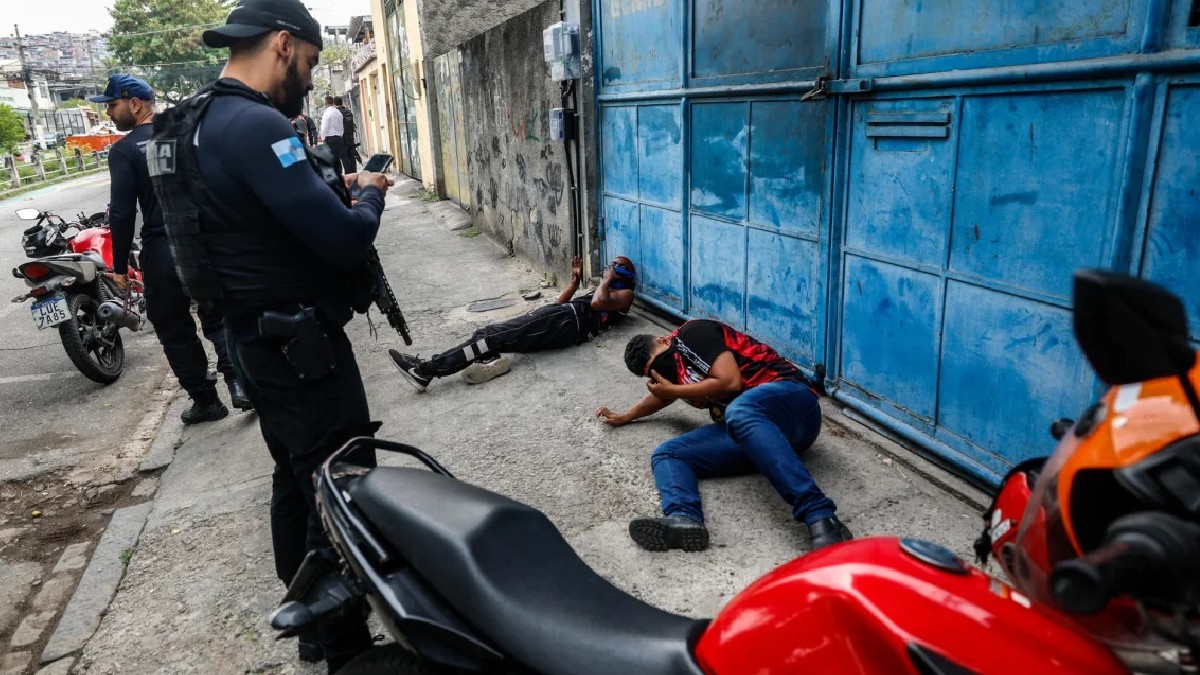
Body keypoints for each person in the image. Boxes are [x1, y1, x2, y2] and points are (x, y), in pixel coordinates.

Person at [147, 0, 395, 670]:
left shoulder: (195, 120)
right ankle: (346, 648)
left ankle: (315, 631)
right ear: (283, 44)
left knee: (295, 479)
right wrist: (369, 192)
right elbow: (344, 240)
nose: (312, 80)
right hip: (296, 345)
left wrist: (322, 186)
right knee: (341, 479)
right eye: (311, 63)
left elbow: (249, 218)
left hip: (246, 339)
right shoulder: (256, 124)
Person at [596, 320, 852, 552]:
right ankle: (684, 518)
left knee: (739, 411)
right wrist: (626, 416)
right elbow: (660, 397)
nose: (661, 374)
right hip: (757, 436)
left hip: (794, 405)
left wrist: (672, 389)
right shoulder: (676, 377)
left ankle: (822, 517)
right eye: (652, 374)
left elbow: (730, 382)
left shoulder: (691, 335)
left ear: (664, 341)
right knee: (667, 453)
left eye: (658, 363)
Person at [89, 73, 251, 423]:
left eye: (113, 105)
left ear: (134, 104)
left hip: (162, 247)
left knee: (173, 326)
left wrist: (118, 268)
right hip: (205, 240)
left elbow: (120, 213)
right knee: (218, 314)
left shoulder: (124, 150)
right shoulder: (187, 133)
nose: (109, 114)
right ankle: (240, 384)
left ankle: (207, 402)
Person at [389, 256, 636, 391]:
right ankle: (459, 364)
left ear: (621, 273)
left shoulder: (625, 296)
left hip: (565, 323)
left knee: (489, 336)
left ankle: (426, 371)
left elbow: (595, 304)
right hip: (559, 317)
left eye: (613, 266)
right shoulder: (607, 292)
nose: (607, 269)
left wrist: (606, 279)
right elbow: (566, 304)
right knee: (488, 338)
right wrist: (573, 284)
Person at [318, 95, 349, 174]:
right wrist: (339, 136)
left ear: (326, 102)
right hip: (339, 138)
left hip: (330, 139)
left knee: (333, 159)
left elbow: (324, 127)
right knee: (342, 157)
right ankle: (346, 173)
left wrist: (323, 138)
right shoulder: (338, 113)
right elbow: (341, 127)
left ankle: (338, 174)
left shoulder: (327, 113)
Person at [333, 96, 357, 172]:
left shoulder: (336, 113)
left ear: (334, 103)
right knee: (352, 156)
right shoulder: (348, 111)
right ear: (341, 102)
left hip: (342, 138)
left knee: (344, 158)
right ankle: (354, 172)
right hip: (350, 137)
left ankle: (348, 174)